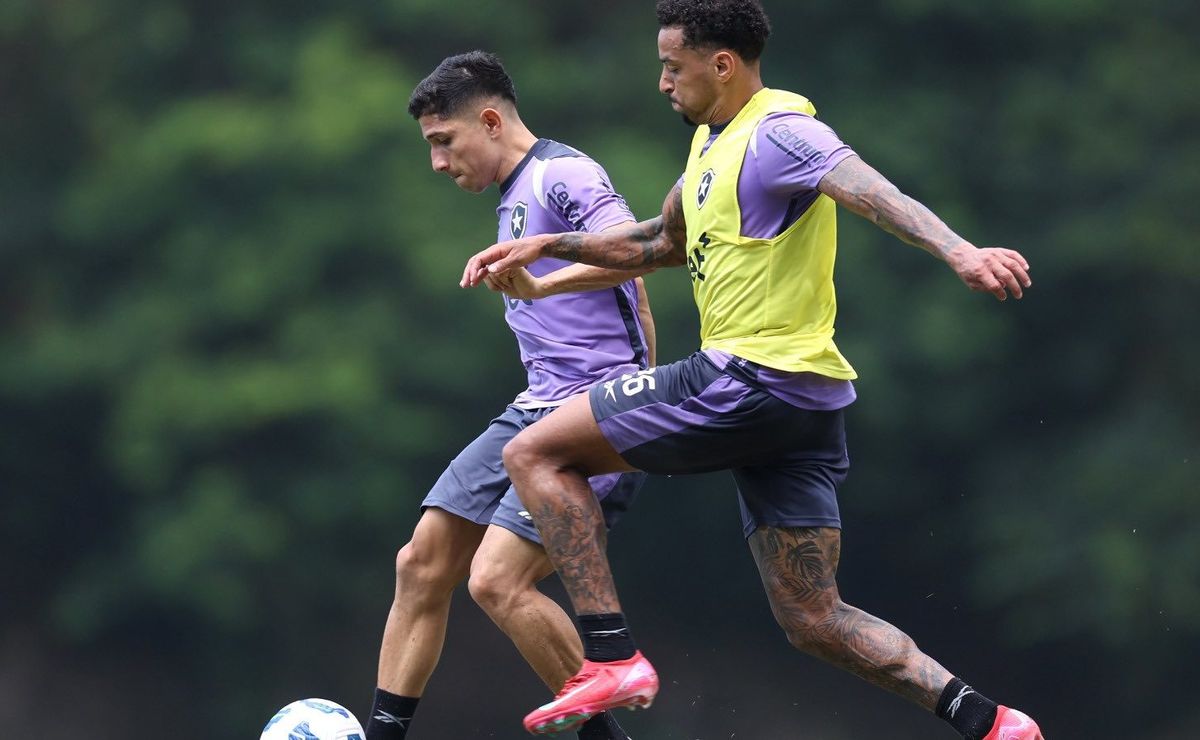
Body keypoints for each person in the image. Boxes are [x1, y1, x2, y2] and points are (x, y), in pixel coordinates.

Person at [460, 2, 1044, 739]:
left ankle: (610, 657)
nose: (664, 83)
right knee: (814, 618)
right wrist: (547, 249)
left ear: (722, 65)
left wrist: (959, 250)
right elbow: (657, 242)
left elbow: (870, 189)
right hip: (804, 405)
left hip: (748, 378)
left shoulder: (780, 132)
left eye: (674, 68)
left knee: (532, 450)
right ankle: (992, 723)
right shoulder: (712, 147)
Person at [367, 50, 659, 740]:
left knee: (495, 581)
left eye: (444, 141)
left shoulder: (564, 173)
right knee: (421, 563)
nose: (438, 162)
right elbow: (622, 296)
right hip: (534, 406)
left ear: (491, 121)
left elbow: (634, 249)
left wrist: (637, 399)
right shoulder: (513, 197)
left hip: (593, 414)